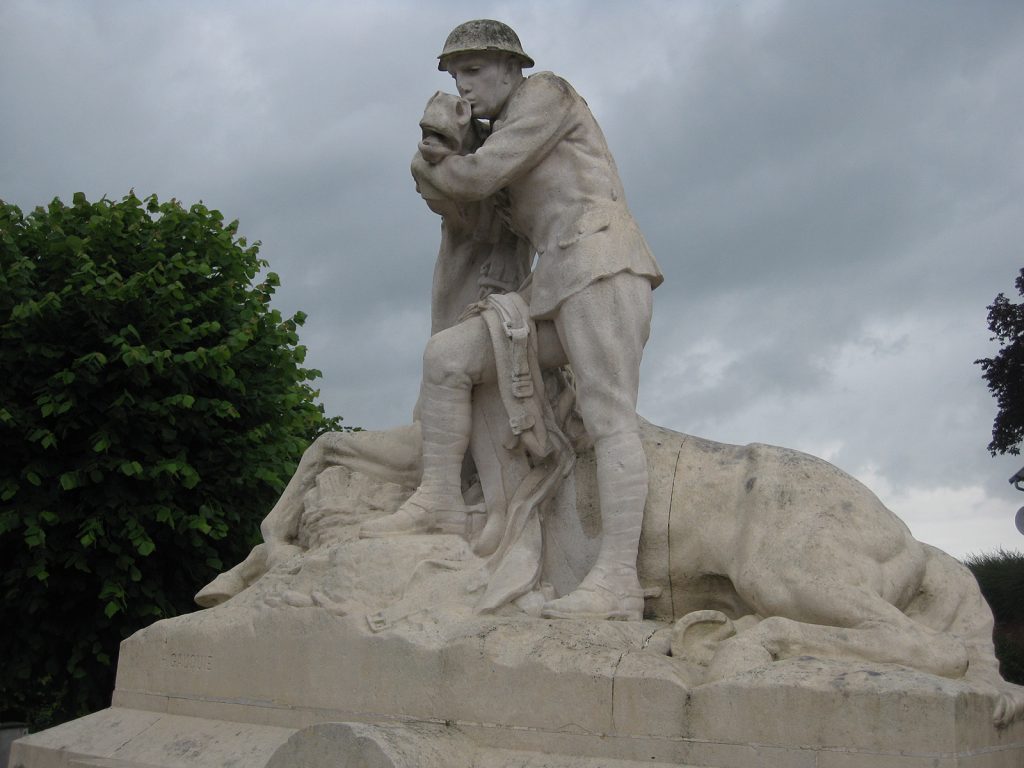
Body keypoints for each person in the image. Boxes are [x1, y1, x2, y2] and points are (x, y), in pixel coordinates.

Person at [361, 19, 663, 621]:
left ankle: (617, 583)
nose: (462, 87)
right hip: (553, 281)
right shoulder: (504, 136)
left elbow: (477, 178)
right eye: (454, 76)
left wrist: (440, 164)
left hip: (600, 259)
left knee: (609, 416)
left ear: (511, 66)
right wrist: (442, 157)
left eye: (472, 71)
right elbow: (474, 218)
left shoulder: (546, 95)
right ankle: (442, 499)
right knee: (447, 357)